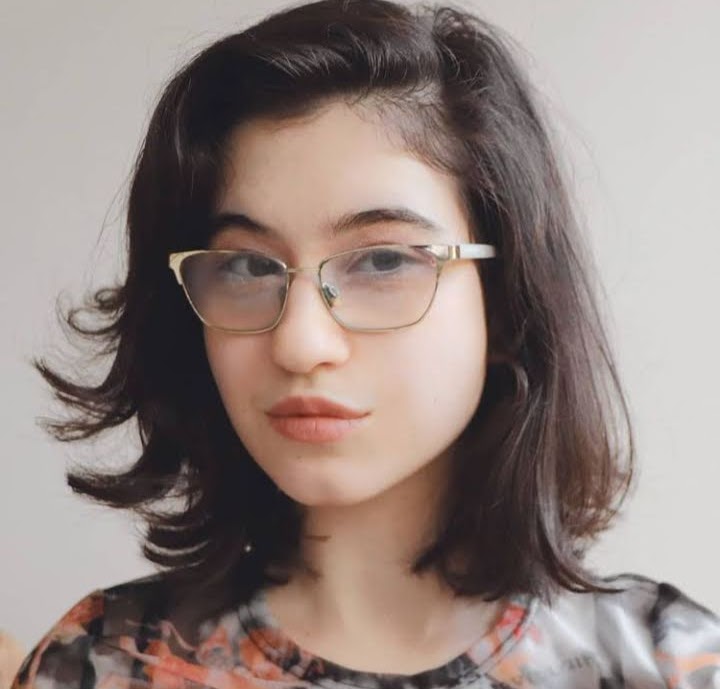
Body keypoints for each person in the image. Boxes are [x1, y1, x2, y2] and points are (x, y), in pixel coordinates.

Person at [11, 1, 720, 687]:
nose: (299, 342)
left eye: (382, 260)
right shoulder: (103, 665)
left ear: (504, 303)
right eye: (247, 267)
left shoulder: (666, 664)